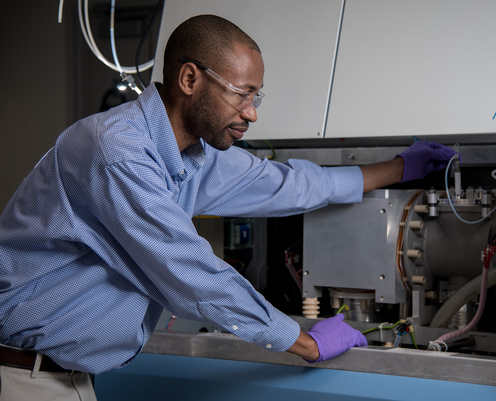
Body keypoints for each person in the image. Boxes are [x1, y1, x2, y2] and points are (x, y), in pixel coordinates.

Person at [0, 15, 457, 400]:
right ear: (189, 79)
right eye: (242, 94)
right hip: (19, 377)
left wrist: (400, 168)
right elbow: (189, 271)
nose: (252, 112)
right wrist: (305, 344)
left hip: (67, 379)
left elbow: (288, 184)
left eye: (257, 97)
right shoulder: (117, 150)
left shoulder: (194, 157)